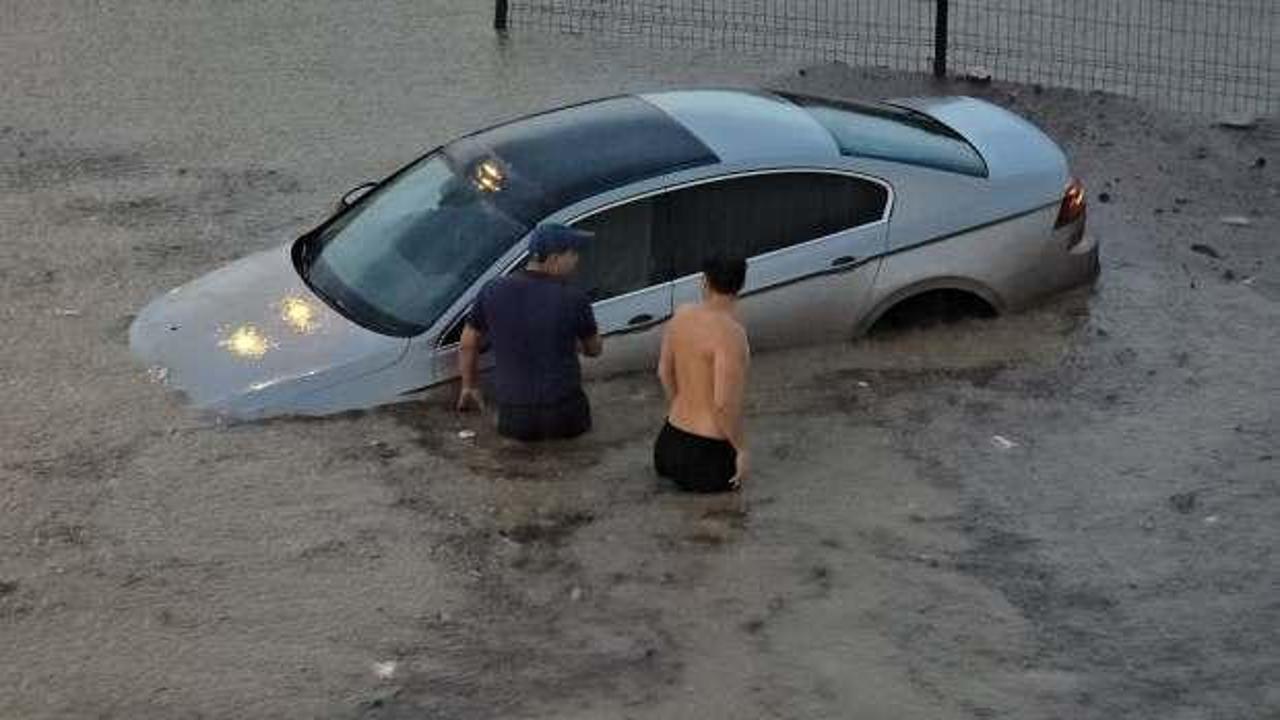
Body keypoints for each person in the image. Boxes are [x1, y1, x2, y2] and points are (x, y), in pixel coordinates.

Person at [456, 223, 603, 441]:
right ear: (554, 258)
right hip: (566, 413)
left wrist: (469, 385)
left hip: (515, 416)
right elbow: (594, 350)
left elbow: (468, 343)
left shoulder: (492, 289)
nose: (577, 260)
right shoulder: (574, 298)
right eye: (573, 253)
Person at [654, 256, 750, 492]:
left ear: (704, 282)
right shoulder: (732, 335)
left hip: (667, 444)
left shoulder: (681, 315)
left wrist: (680, 408)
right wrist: (742, 449)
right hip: (706, 457)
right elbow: (722, 404)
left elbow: (663, 373)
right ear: (740, 285)